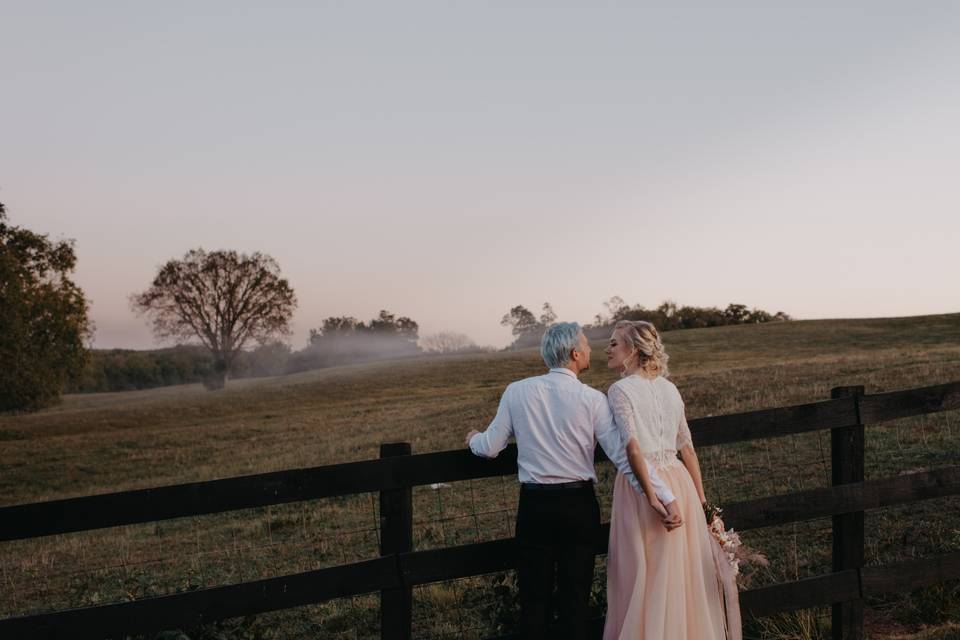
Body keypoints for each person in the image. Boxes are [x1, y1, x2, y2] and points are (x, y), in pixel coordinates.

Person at [465, 322, 682, 640]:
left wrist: (473, 438)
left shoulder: (517, 391)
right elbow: (623, 455)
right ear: (574, 353)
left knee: (534, 601)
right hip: (578, 506)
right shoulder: (593, 399)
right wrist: (663, 494)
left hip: (535, 506)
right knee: (575, 599)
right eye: (586, 344)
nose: (593, 348)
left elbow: (490, 447)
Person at [602, 320, 741, 640]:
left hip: (643, 485)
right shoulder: (670, 388)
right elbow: (688, 451)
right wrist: (702, 504)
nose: (606, 349)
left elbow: (632, 447)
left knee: (644, 577)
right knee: (681, 577)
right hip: (682, 484)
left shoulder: (620, 390)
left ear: (632, 351)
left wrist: (652, 496)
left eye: (613, 344)